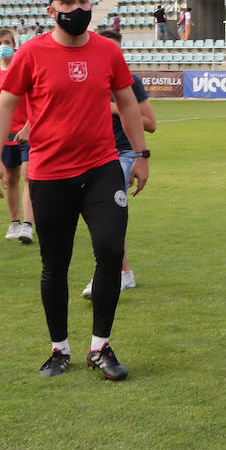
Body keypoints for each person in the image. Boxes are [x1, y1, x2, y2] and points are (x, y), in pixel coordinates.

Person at [0, 0, 150, 380]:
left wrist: (141, 154)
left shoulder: (108, 51)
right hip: (50, 173)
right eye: (68, 1)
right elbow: (5, 105)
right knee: (54, 264)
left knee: (110, 251)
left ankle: (100, 347)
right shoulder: (31, 53)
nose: (77, 7)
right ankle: (59, 349)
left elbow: (128, 103)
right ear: (51, 10)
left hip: (101, 169)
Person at [81, 28, 156, 297]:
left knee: (106, 215)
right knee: (102, 217)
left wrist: (114, 106)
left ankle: (115, 275)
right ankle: (123, 274)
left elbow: (150, 124)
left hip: (122, 154)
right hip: (90, 154)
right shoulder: (87, 78)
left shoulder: (130, 82)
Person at [0, 29, 34, 243]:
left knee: (28, 176)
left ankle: (28, 226)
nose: (4, 45)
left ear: (15, 45)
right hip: (6, 134)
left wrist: (29, 127)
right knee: (10, 179)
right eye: (0, 42)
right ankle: (15, 222)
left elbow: (35, 102)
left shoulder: (24, 70)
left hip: (27, 133)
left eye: (8, 42)